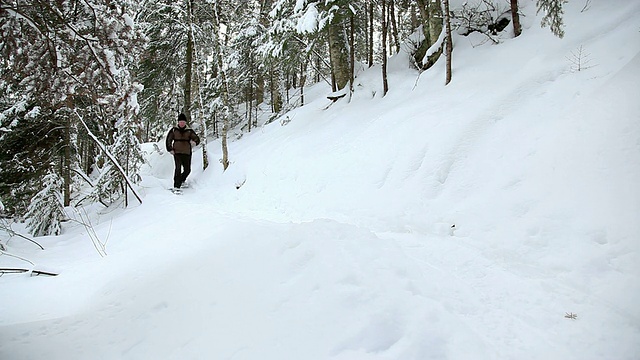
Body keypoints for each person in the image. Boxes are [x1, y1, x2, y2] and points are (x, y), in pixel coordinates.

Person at [165, 113, 200, 189]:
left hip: (187, 152)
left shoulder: (189, 131)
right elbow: (168, 139)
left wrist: (195, 142)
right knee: (178, 169)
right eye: (180, 122)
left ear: (185, 123)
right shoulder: (174, 130)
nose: (182, 123)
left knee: (187, 170)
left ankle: (181, 180)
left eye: (183, 122)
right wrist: (170, 149)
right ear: (178, 122)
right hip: (177, 152)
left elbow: (197, 138)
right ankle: (176, 186)